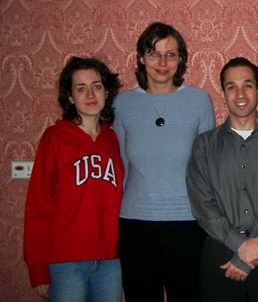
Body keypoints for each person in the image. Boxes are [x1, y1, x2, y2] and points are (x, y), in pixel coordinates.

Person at [113, 22, 215, 302]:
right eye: (154, 53)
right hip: (134, 224)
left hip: (186, 223)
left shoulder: (199, 101)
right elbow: (120, 165)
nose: (162, 62)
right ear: (141, 57)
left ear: (181, 59)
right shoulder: (122, 105)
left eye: (171, 54)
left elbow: (206, 168)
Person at [186, 57, 258, 302]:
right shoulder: (204, 145)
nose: (240, 93)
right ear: (223, 93)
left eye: (248, 85)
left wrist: (248, 255)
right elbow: (202, 205)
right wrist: (239, 245)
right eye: (231, 86)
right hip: (219, 252)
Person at [24, 57, 124, 302]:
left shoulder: (113, 139)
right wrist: (38, 269)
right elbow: (38, 208)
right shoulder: (55, 139)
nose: (90, 94)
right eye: (81, 88)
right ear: (70, 97)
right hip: (65, 263)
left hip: (109, 261)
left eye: (97, 86)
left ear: (106, 91)